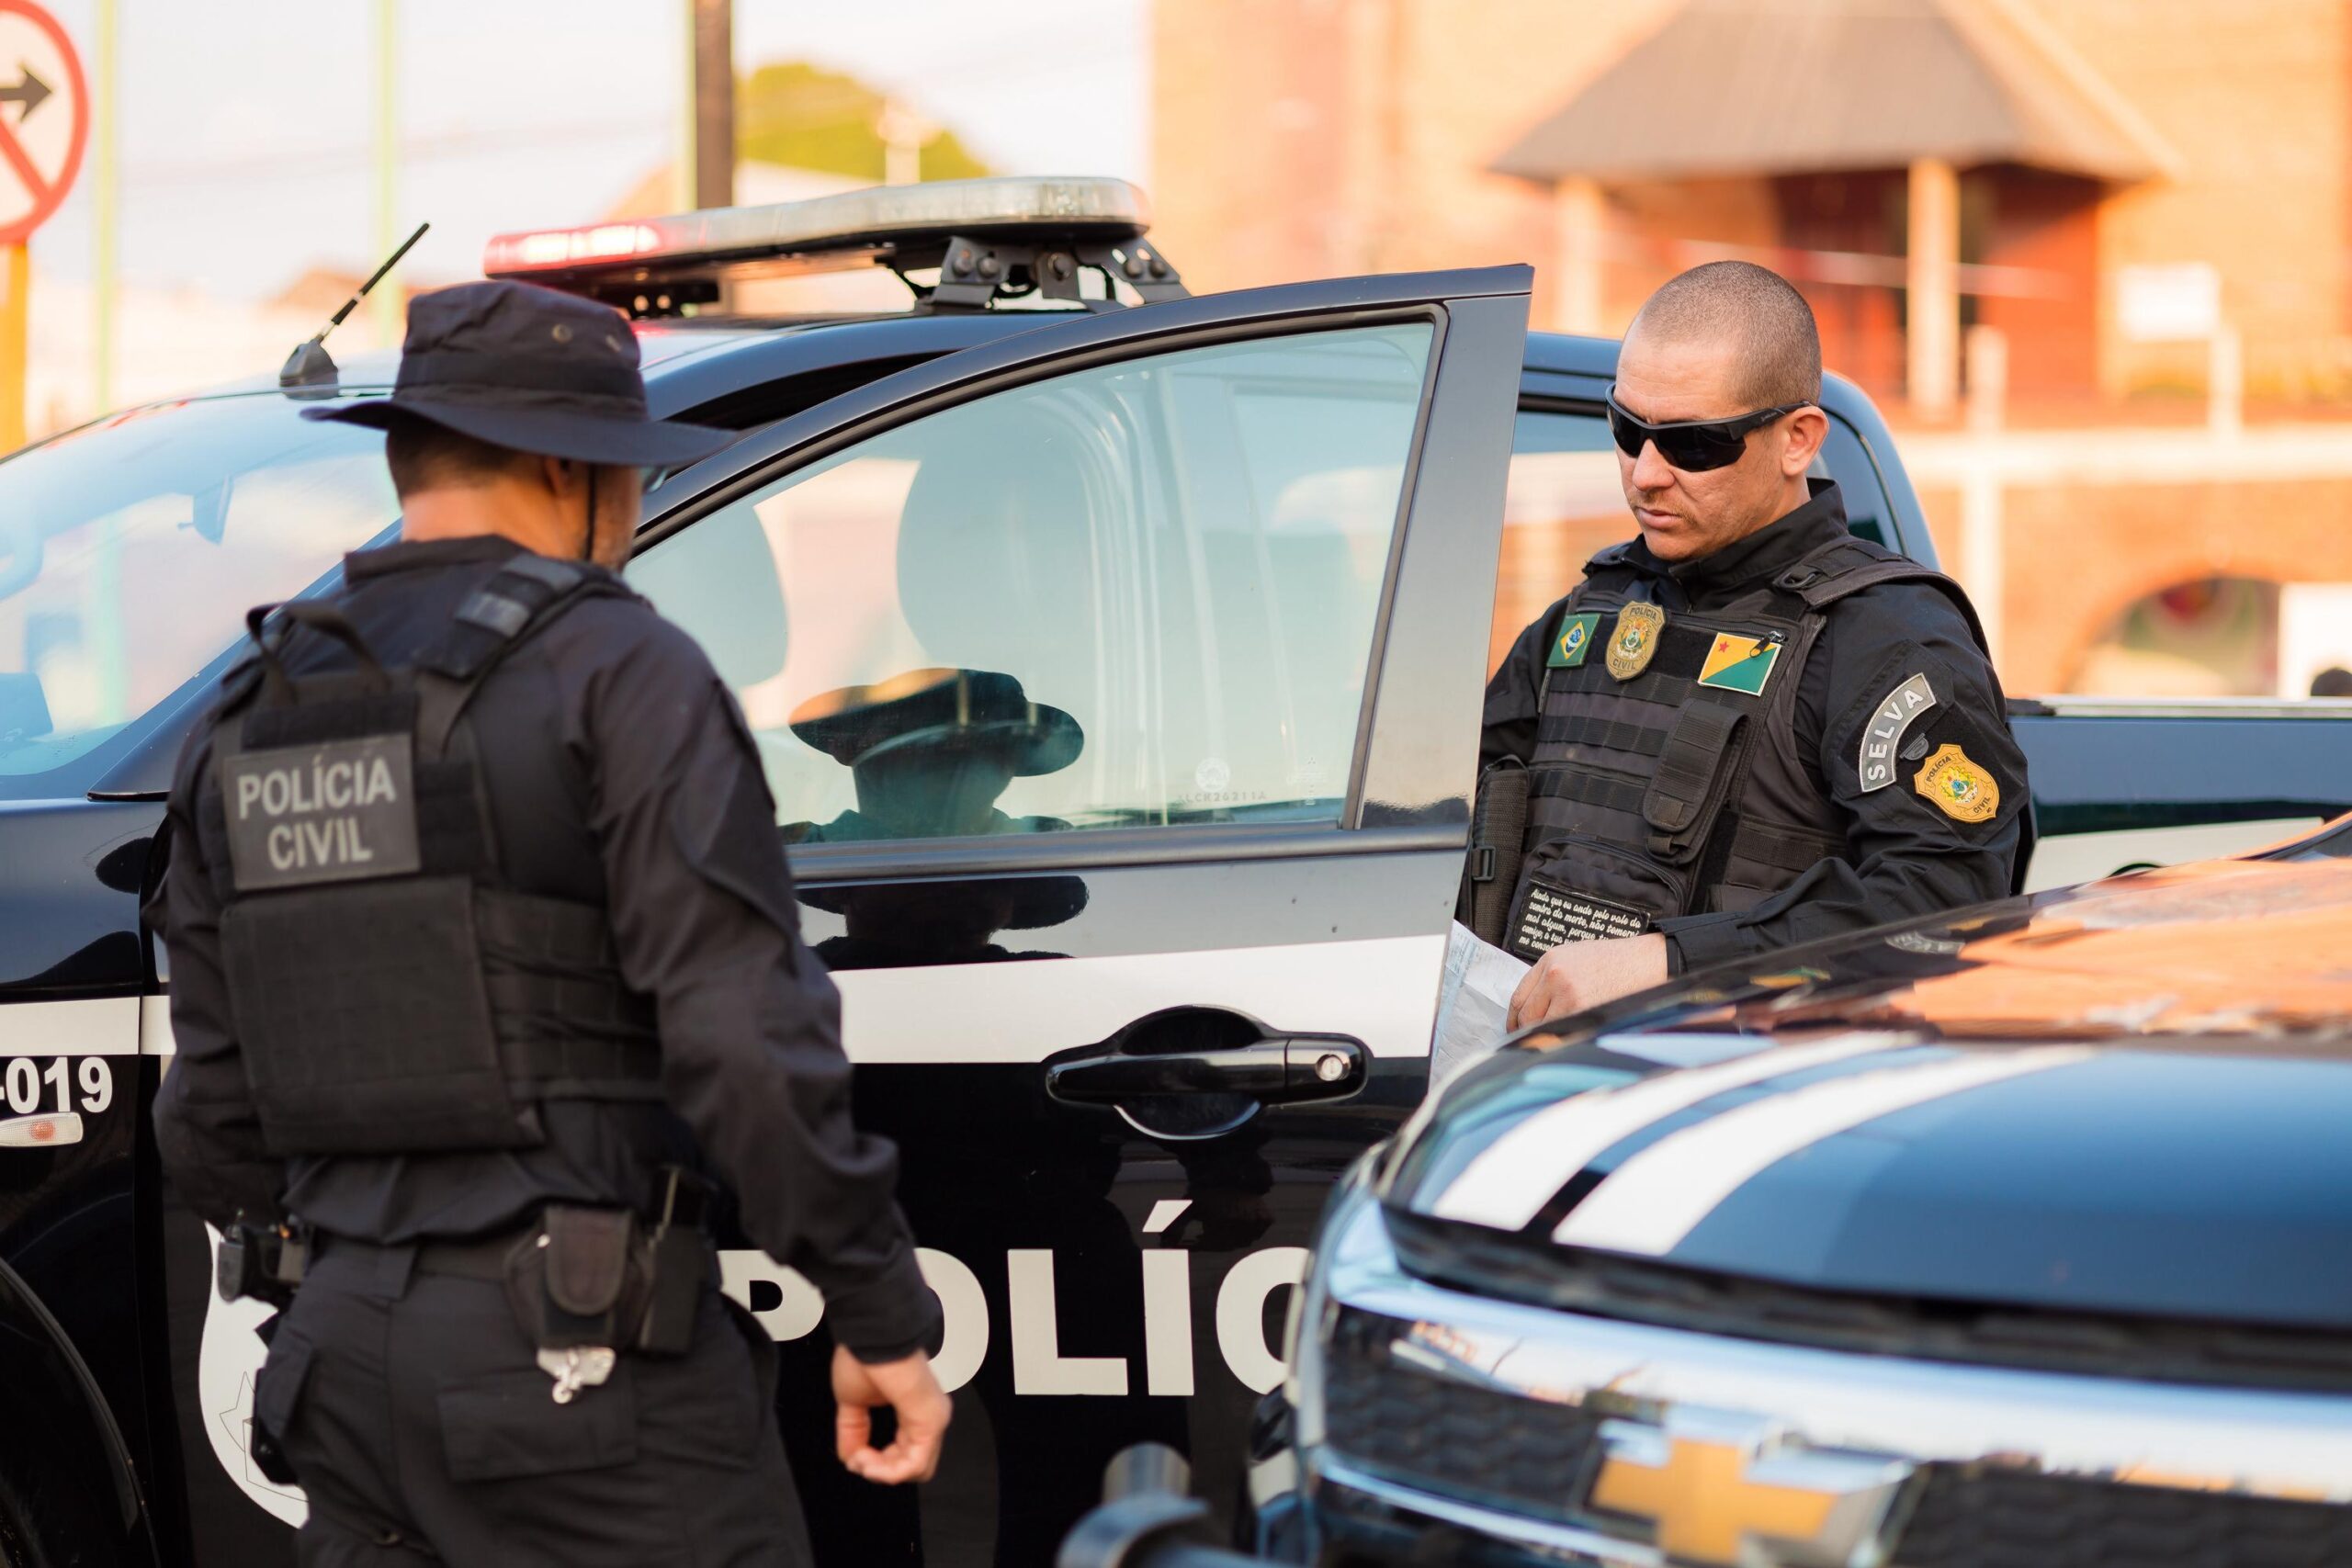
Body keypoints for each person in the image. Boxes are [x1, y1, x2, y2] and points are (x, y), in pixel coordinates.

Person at [148, 279, 948, 1566]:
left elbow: (208, 1114)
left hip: (336, 1359)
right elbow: (743, 1038)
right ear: (560, 469)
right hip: (576, 1371)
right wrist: (878, 1306)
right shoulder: (622, 672)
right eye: (623, 475)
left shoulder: (246, 711)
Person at [1480, 261, 2027, 1029]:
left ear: (1797, 439)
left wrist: (1671, 961)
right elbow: (1437, 812)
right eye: (1626, 429)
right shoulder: (1593, 612)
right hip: (1543, 1087)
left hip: (1747, 1101)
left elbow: (1948, 906)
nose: (1646, 474)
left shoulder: (1885, 636)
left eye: (1693, 445)